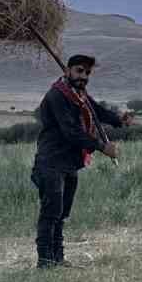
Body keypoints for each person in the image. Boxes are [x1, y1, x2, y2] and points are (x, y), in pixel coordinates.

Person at [31, 54, 130, 268]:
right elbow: (71, 132)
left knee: (62, 213)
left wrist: (118, 120)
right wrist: (103, 147)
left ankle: (58, 258)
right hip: (51, 161)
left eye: (87, 73)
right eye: (78, 70)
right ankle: (45, 262)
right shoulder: (57, 96)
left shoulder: (79, 94)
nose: (83, 76)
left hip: (69, 162)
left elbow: (97, 112)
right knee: (51, 213)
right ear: (67, 71)